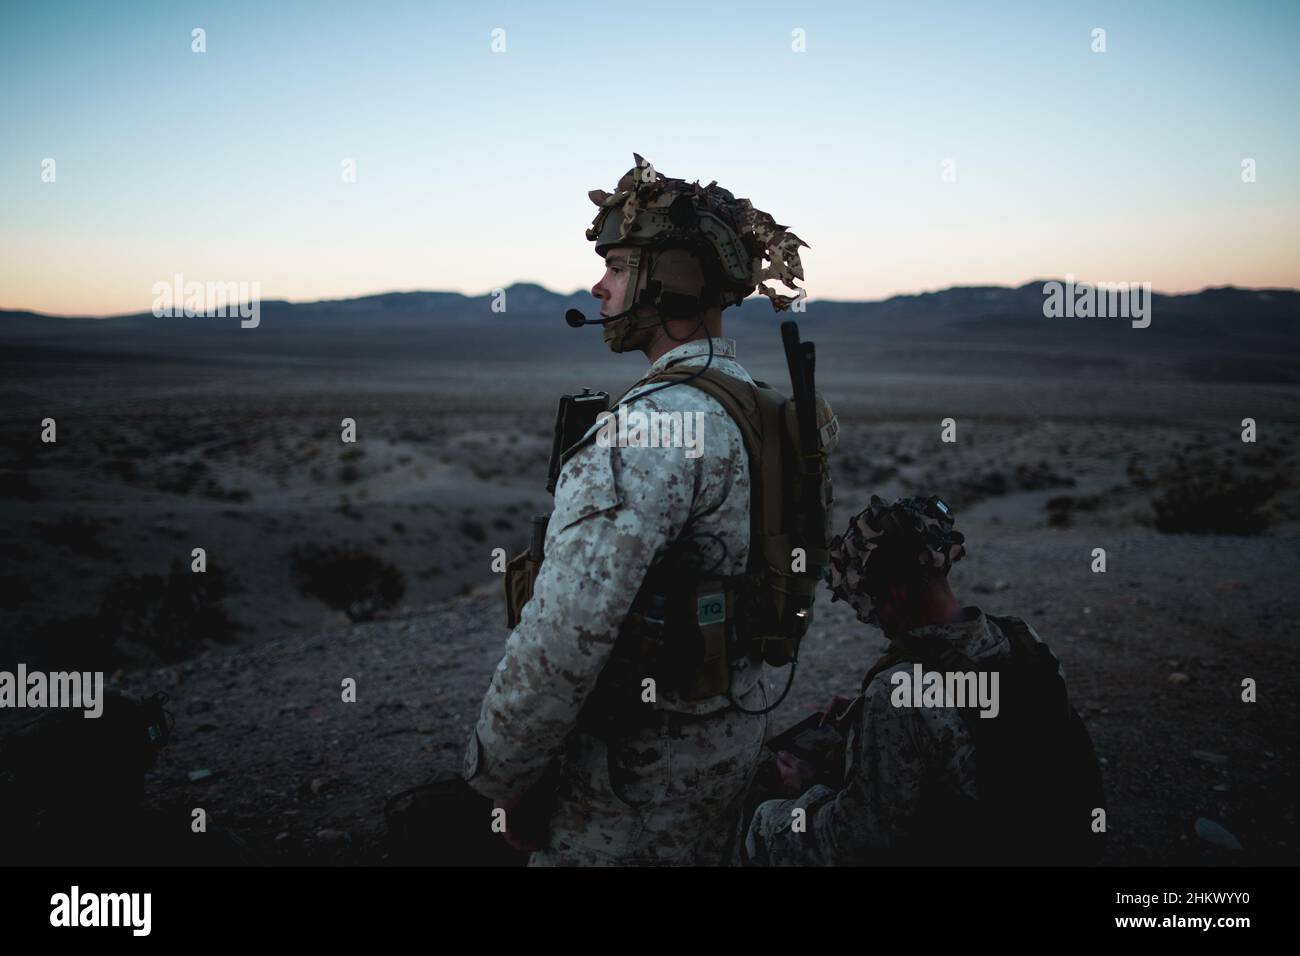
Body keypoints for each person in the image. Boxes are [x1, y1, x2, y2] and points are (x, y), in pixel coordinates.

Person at [464, 153, 822, 865]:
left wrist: (500, 776)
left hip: (631, 782)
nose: (598, 288)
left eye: (619, 267)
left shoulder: (646, 431)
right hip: (728, 745)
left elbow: (565, 636)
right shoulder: (766, 412)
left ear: (671, 281)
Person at [744, 495, 1106, 866]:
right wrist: (867, 719)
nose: (876, 621)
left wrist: (794, 798)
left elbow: (856, 841)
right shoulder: (1020, 638)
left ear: (896, 593)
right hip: (1051, 843)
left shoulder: (899, 691)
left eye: (872, 604)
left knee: (760, 828)